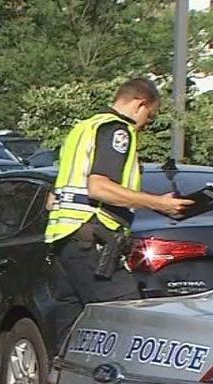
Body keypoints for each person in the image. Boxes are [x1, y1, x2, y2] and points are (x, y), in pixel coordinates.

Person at [45, 77, 193, 341]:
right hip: (91, 240)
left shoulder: (84, 127)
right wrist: (159, 203)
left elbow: (58, 192)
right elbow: (99, 187)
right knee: (128, 321)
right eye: (150, 116)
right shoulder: (118, 130)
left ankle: (67, 380)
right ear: (140, 104)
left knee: (76, 331)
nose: (147, 125)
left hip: (63, 239)